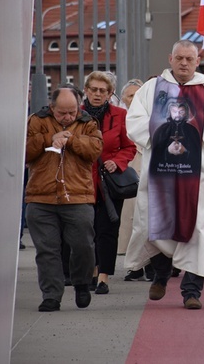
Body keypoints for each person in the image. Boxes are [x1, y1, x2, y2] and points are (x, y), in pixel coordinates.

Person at [125, 40, 204, 310]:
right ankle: (161, 276)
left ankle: (191, 291)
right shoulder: (151, 89)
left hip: (198, 175)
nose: (184, 63)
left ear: (198, 60)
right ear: (170, 58)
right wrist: (164, 131)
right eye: (180, 58)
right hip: (160, 173)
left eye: (190, 59)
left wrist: (193, 132)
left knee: (200, 229)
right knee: (157, 224)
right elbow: (135, 121)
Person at [24, 86, 103, 312]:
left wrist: (71, 139)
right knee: (47, 250)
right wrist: (50, 137)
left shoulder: (88, 122)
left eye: (72, 112)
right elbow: (25, 152)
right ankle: (51, 295)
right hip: (41, 197)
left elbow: (95, 150)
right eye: (62, 113)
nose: (68, 117)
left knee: (83, 246)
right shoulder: (37, 120)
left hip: (78, 196)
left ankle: (81, 283)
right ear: (52, 108)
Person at [82, 71, 137, 295]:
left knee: (108, 228)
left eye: (102, 91)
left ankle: (103, 276)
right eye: (93, 89)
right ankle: (91, 271)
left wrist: (117, 161)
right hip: (83, 181)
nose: (97, 94)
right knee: (87, 229)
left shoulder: (120, 115)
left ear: (110, 93)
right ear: (86, 91)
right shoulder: (78, 115)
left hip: (109, 182)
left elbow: (129, 147)